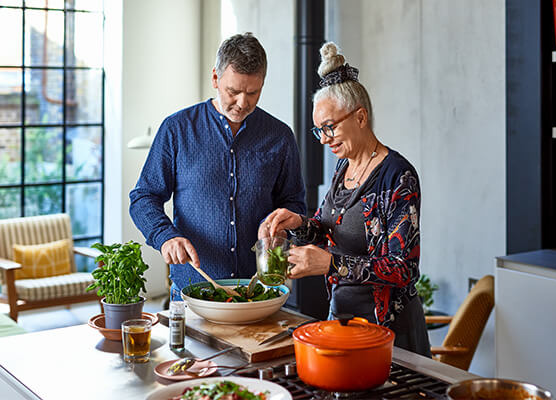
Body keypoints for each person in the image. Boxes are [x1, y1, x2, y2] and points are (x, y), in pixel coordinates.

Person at [260, 42, 430, 356]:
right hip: (342, 320)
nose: (324, 139)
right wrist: (298, 224)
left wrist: (330, 263)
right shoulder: (344, 167)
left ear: (361, 117)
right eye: (318, 130)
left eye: (329, 127)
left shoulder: (398, 176)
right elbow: (329, 229)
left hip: (388, 332)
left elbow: (403, 268)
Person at [130, 33, 306, 299]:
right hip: (193, 291)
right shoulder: (177, 129)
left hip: (259, 292)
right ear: (215, 78)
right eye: (233, 91)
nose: (243, 103)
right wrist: (165, 236)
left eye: (253, 92)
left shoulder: (280, 136)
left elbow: (294, 203)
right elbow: (143, 197)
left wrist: (283, 222)